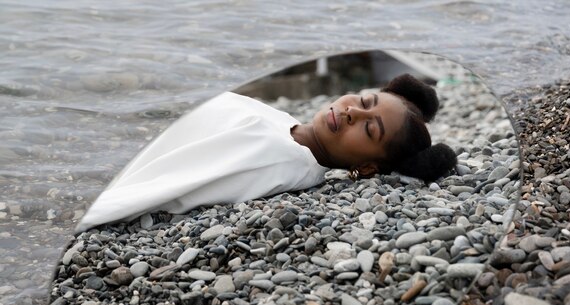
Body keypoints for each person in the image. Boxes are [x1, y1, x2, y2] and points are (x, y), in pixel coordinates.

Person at [76, 73, 456, 232]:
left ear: (368, 166)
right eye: (363, 99)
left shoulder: (278, 158)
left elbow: (164, 185)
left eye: (369, 128)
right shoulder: (285, 128)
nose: (353, 111)